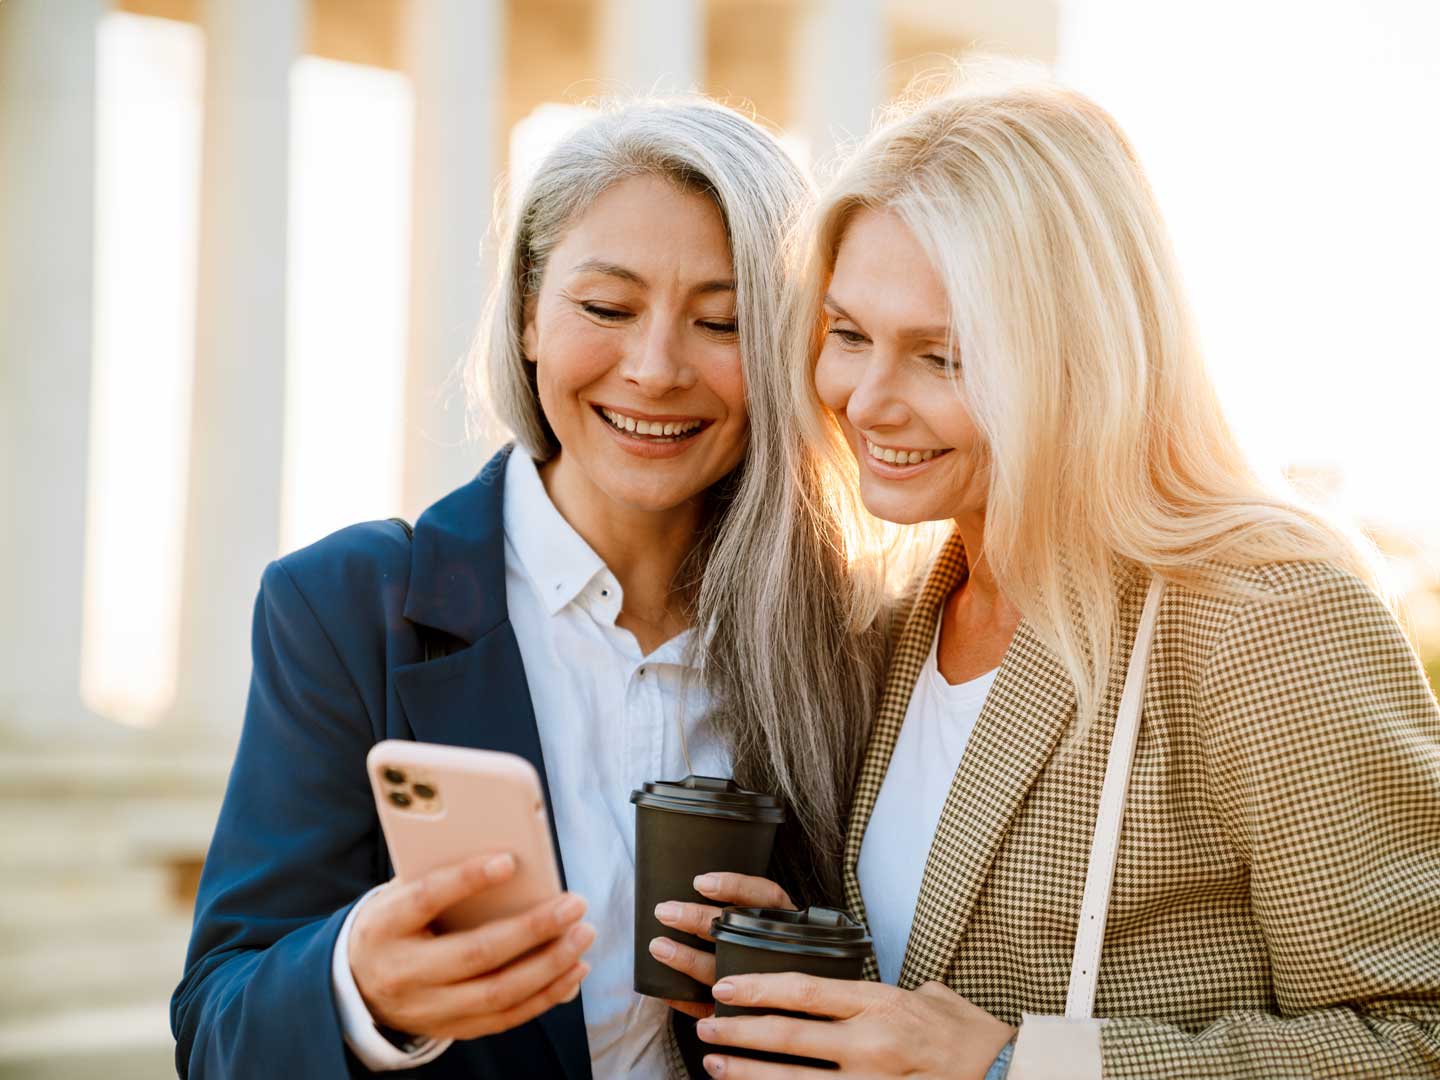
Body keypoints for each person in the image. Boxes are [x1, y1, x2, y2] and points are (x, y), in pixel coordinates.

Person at [650, 73, 1440, 1078]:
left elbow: (1422, 1031)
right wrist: (812, 958)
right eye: (849, 336)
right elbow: (941, 972)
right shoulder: (896, 628)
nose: (868, 403)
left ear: (1078, 356)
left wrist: (1016, 1068)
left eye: (944, 357)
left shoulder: (1267, 618)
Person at [171, 98, 886, 1079]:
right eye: (606, 308)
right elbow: (216, 1026)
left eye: (722, 322)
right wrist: (357, 985)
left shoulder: (848, 638)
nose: (655, 368)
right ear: (527, 317)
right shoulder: (345, 606)